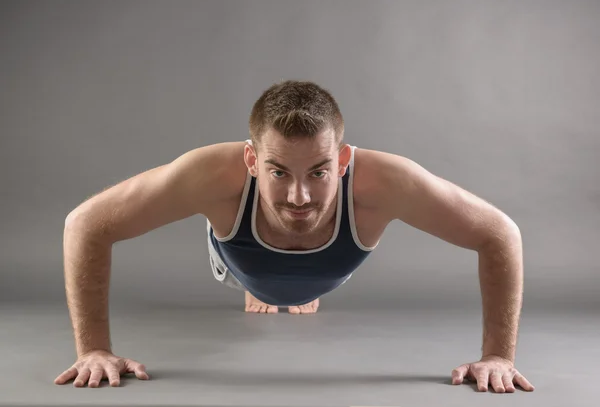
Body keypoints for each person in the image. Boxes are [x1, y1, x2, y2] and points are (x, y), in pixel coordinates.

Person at [54, 80, 535, 393]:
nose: (300, 197)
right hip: (235, 258)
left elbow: (499, 234)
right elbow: (87, 224)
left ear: (343, 161)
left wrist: (497, 356)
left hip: (331, 269)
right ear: (250, 161)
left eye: (320, 172)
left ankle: (292, 291)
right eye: (279, 172)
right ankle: (255, 287)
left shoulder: (386, 182)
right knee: (247, 271)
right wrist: (93, 348)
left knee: (300, 279)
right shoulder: (210, 175)